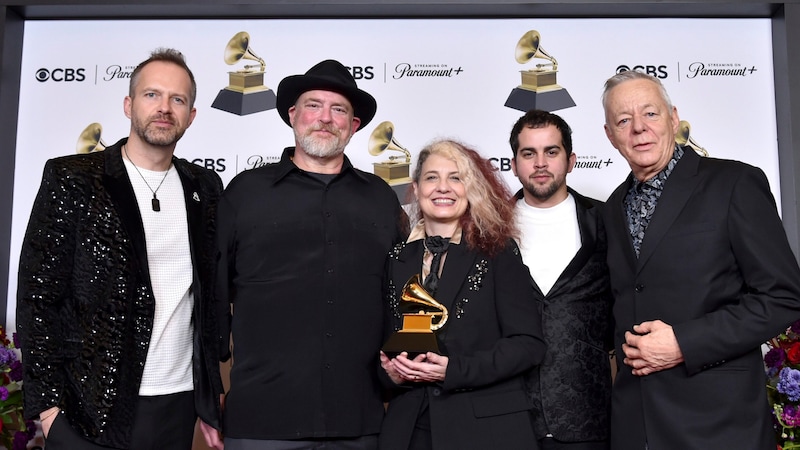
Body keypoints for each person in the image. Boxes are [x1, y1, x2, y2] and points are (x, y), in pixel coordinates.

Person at [16, 48, 224, 449]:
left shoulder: (205, 188)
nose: (164, 108)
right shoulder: (73, 179)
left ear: (191, 116)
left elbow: (212, 296)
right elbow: (38, 299)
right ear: (129, 104)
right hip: (88, 407)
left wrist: (209, 396)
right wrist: (48, 411)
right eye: (152, 95)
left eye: (177, 99)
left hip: (177, 402)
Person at [601, 69, 800, 450]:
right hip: (635, 426)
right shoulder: (612, 208)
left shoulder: (734, 184)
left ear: (674, 118)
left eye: (651, 114)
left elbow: (783, 296)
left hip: (718, 425)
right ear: (610, 135)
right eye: (624, 120)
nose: (639, 128)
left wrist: (683, 342)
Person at [215, 59, 407, 450]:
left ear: (353, 126)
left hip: (358, 420)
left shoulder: (381, 199)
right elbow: (213, 297)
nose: (325, 118)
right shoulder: (244, 193)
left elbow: (399, 297)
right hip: (261, 423)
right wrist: (207, 397)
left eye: (339, 109)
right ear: (292, 115)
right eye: (313, 105)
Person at [378, 139, 547, 450]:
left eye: (456, 177)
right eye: (432, 177)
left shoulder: (498, 252)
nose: (443, 187)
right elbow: (387, 346)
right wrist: (392, 374)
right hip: (409, 430)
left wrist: (454, 370)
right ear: (415, 188)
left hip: (486, 431)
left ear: (471, 188)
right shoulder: (396, 258)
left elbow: (528, 345)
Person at [509, 110, 612, 450]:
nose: (540, 163)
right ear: (514, 163)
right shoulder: (487, 229)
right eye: (529, 153)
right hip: (508, 418)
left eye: (551, 152)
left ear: (571, 160)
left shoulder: (607, 222)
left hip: (588, 417)